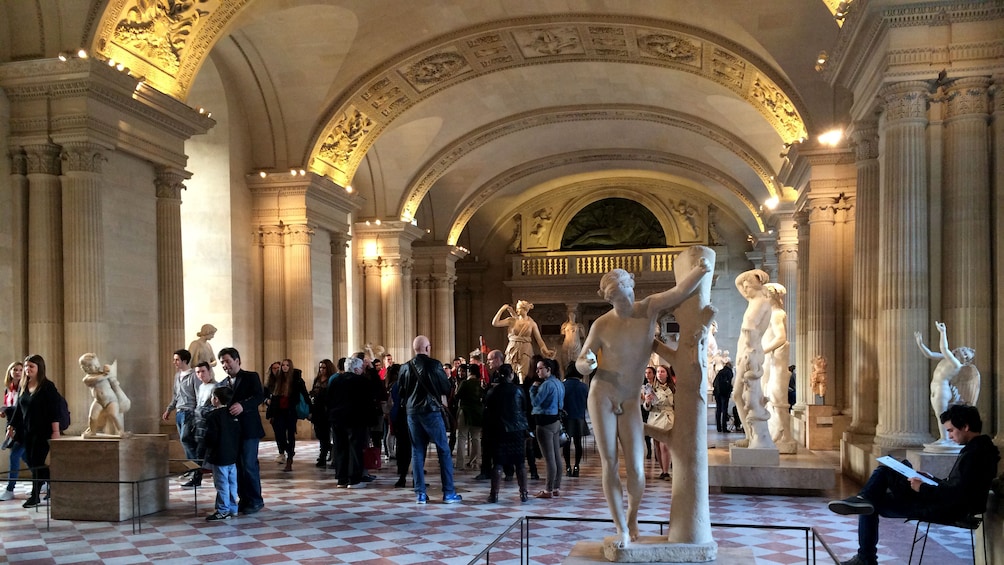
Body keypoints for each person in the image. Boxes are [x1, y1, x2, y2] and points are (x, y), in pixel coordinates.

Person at [575, 249, 710, 548]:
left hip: (631, 398)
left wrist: (701, 270)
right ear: (607, 298)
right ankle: (621, 527)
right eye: (614, 298)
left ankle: (632, 515)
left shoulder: (649, 309)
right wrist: (588, 364)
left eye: (624, 295)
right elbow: (581, 360)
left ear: (632, 288)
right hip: (603, 394)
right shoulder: (601, 324)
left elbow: (677, 292)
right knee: (610, 462)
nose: (621, 302)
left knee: (636, 468)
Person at [827, 404, 1000, 565]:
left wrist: (921, 487)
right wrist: (930, 478)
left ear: (966, 427)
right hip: (945, 504)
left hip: (946, 509)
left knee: (880, 483)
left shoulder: (975, 454)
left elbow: (957, 495)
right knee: (895, 472)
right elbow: (958, 486)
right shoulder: (981, 449)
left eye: (951, 430)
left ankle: (865, 550)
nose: (950, 436)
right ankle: (865, 534)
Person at [397, 335, 462, 504]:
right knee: (443, 450)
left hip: (412, 413)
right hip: (431, 411)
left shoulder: (405, 367)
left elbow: (401, 391)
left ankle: (420, 494)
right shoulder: (434, 365)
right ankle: (448, 492)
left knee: (417, 451)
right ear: (427, 348)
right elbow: (446, 387)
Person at [5, 354, 61, 508]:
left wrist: (55, 432)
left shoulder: (47, 386)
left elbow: (54, 410)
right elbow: (19, 408)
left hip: (42, 431)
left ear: (39, 368)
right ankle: (53, 481)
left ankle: (35, 495)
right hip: (26, 431)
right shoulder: (24, 384)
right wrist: (11, 425)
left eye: (31, 366)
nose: (27, 369)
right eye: (27, 366)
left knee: (36, 462)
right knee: (30, 460)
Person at [915, 321, 980, 445]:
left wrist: (943, 332)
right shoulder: (947, 358)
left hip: (942, 390)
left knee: (941, 415)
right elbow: (929, 354)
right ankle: (944, 438)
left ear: (964, 360)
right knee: (938, 414)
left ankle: (945, 439)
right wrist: (920, 343)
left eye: (965, 354)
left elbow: (944, 348)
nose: (963, 351)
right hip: (936, 389)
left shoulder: (956, 363)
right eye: (964, 350)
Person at [218, 347, 266, 514]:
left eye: (227, 361)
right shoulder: (223, 383)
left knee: (249, 464)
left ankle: (255, 500)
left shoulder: (251, 377)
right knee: (237, 466)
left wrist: (243, 406)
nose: (225, 365)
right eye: (222, 362)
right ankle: (243, 499)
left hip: (249, 429)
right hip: (233, 432)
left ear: (237, 360)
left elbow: (259, 396)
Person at [731, 269, 773, 448]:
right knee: (739, 395)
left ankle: (756, 436)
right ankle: (750, 435)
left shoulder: (762, 303)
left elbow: (751, 330)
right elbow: (737, 282)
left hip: (751, 354)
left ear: (756, 287)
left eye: (748, 286)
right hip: (745, 353)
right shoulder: (753, 300)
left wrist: (747, 356)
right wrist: (752, 272)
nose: (745, 289)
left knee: (744, 395)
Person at [483, 363, 530, 503]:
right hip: (516, 430)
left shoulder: (492, 391)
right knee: (520, 463)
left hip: (499, 430)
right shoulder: (518, 390)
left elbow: (487, 411)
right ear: (511, 375)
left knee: (498, 463)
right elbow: (524, 408)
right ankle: (524, 494)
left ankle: (494, 494)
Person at [327, 355, 371, 488]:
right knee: (355, 449)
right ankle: (354, 480)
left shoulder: (335, 380)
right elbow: (367, 401)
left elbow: (329, 399)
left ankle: (341, 478)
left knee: (340, 448)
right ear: (357, 369)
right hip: (355, 420)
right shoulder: (360, 381)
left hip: (337, 419)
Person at [162, 349, 201, 487]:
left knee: (187, 439)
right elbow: (175, 395)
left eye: (177, 359)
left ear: (185, 360)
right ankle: (193, 469)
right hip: (179, 412)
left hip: (189, 412)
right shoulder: (177, 375)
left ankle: (196, 471)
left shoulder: (194, 376)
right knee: (185, 442)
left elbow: (198, 395)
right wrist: (169, 409)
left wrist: (197, 414)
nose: (174, 362)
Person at [492, 300, 554, 383]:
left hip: (525, 349)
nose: (517, 310)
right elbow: (495, 323)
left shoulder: (531, 323)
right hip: (513, 348)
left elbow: (539, 340)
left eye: (519, 309)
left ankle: (522, 389)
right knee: (510, 370)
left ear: (525, 309)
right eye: (517, 309)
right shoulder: (512, 320)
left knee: (523, 373)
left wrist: (545, 350)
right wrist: (502, 309)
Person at [203, 386, 240, 521]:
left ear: (216, 399)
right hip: (232, 455)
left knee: (221, 483)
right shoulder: (233, 414)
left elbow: (211, 437)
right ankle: (232, 508)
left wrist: (206, 448)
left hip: (219, 456)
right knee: (232, 483)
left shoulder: (213, 416)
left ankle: (223, 510)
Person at [266, 359, 308, 472]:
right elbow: (273, 398)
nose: (284, 367)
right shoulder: (277, 380)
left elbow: (305, 394)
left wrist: (310, 410)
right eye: (283, 365)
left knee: (290, 435)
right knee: (280, 435)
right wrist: (271, 414)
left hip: (290, 412)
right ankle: (289, 450)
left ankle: (289, 460)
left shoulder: (297, 380)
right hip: (279, 412)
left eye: (287, 365)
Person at [530, 358, 564, 498]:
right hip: (555, 421)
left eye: (540, 368)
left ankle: (548, 490)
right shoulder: (559, 383)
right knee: (556, 457)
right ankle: (556, 487)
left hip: (544, 424)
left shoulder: (546, 385)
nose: (537, 371)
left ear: (548, 369)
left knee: (550, 459)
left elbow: (535, 402)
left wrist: (533, 389)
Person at [79, 353, 130, 437]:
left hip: (111, 400)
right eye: (93, 366)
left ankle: (121, 431)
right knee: (92, 416)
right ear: (86, 369)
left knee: (114, 414)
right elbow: (97, 379)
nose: (97, 367)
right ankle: (92, 431)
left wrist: (109, 373)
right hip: (98, 401)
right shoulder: (87, 378)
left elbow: (114, 383)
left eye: (97, 364)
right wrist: (107, 375)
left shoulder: (103, 374)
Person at [643, 365, 675, 481]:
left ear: (667, 374)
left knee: (664, 445)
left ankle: (666, 472)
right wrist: (647, 401)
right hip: (655, 417)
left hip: (667, 417)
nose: (660, 374)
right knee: (657, 445)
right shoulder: (650, 387)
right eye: (658, 372)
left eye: (662, 371)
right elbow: (647, 407)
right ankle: (663, 470)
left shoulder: (673, 388)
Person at [1, 361, 26, 501]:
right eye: (14, 369)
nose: (17, 372)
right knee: (27, 458)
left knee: (14, 456)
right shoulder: (9, 389)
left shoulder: (25, 388)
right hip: (12, 427)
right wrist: (4, 412)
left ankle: (10, 489)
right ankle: (46, 481)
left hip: (23, 428)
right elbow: (11, 408)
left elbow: (21, 410)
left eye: (20, 369)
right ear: (10, 372)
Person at [455, 364, 484, 470]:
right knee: (476, 438)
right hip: (478, 412)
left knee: (462, 437)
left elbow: (457, 396)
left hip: (466, 411)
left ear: (469, 372)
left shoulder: (465, 383)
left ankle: (460, 463)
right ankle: (475, 462)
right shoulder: (481, 384)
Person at [562, 361, 588, 478]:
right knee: (578, 444)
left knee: (566, 444)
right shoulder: (584, 387)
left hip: (566, 417)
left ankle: (567, 466)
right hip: (579, 417)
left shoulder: (563, 385)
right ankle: (577, 466)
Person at [192, 361, 217, 477]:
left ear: (209, 371)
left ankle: (197, 477)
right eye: (198, 372)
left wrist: (200, 411)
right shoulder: (201, 386)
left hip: (208, 425)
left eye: (203, 371)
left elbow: (214, 407)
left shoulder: (215, 386)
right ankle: (197, 477)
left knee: (202, 453)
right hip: (199, 424)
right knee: (199, 452)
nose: (201, 374)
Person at [310, 359, 335, 468]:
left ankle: (322, 457)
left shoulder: (331, 379)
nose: (322, 370)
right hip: (316, 409)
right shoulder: (317, 379)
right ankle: (330, 448)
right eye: (320, 367)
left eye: (324, 367)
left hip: (326, 410)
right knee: (319, 434)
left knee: (324, 435)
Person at [713, 362, 734, 433]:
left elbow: (714, 383)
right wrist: (729, 390)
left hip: (717, 394)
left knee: (718, 410)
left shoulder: (720, 372)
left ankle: (718, 427)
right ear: (730, 366)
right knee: (724, 410)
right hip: (724, 394)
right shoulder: (729, 372)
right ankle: (724, 428)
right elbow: (731, 383)